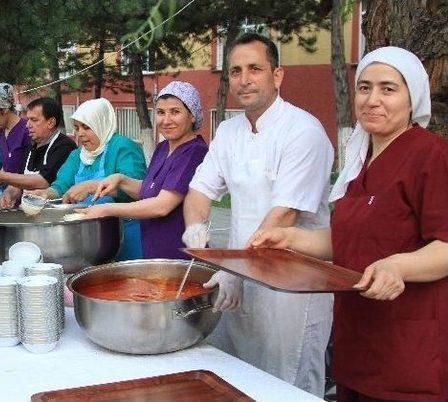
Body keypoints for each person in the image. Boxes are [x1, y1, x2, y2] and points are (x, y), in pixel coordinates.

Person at [249, 47, 448, 402]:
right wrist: (290, 237)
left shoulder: (430, 155)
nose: (372, 100)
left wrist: (398, 266)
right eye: (364, 88)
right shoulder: (361, 160)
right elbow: (350, 240)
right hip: (356, 342)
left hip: (406, 352)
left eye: (388, 89)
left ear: (412, 96)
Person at [181, 33, 334, 396]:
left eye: (255, 69)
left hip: (290, 292)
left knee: (288, 386)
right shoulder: (229, 131)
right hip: (242, 279)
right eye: (235, 71)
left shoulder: (303, 131)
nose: (244, 79)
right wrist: (196, 229)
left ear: (277, 75)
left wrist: (235, 271)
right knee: (242, 384)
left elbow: (284, 217)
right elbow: (199, 191)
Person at [76, 81, 207, 259]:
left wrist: (106, 209)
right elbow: (149, 191)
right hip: (155, 252)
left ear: (192, 116)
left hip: (181, 256)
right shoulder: (163, 148)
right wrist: (121, 180)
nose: (166, 120)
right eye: (161, 112)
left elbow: (162, 205)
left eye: (175, 112)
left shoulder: (194, 152)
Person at [32, 98, 146, 261]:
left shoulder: (122, 147)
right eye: (77, 128)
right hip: (92, 239)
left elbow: (137, 190)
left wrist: (92, 186)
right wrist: (46, 193)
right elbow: (61, 185)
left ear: (101, 123)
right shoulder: (77, 155)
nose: (80, 134)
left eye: (87, 127)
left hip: (125, 234)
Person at [0, 97, 77, 208]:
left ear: (51, 123)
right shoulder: (32, 147)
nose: (28, 125)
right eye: (28, 120)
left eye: (34, 120)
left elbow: (42, 181)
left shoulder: (64, 146)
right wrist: (9, 194)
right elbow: (19, 185)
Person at [0, 82, 32, 197]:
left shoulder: (27, 131)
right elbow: (8, 166)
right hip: (7, 198)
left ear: (5, 109)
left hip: (26, 198)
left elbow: (33, 171)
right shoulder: (2, 131)